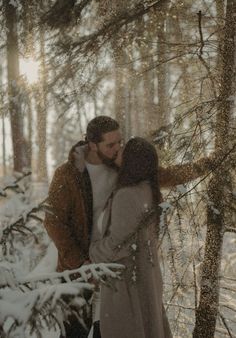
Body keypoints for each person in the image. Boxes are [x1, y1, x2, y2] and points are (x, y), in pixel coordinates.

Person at [44, 115, 216, 338]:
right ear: (93, 144)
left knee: (105, 329)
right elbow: (53, 221)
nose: (118, 149)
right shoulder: (67, 174)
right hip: (79, 271)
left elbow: (163, 174)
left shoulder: (123, 168)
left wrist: (206, 164)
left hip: (115, 267)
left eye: (120, 142)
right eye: (111, 145)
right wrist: (82, 263)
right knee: (73, 334)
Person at [89, 137, 173, 338]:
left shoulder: (127, 194)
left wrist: (93, 251)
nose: (119, 150)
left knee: (129, 329)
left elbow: (119, 245)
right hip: (145, 277)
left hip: (128, 283)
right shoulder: (148, 189)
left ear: (133, 161)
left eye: (123, 149)